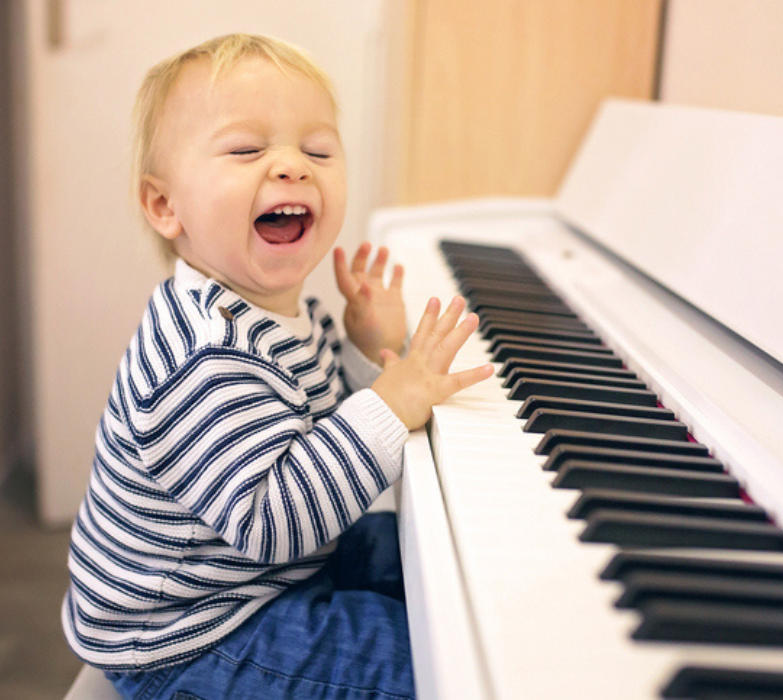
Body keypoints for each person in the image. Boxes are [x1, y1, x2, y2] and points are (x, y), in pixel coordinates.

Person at [61, 33, 493, 699]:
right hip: (191, 636)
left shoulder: (276, 311)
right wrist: (388, 402)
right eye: (246, 149)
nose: (293, 166)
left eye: (317, 150)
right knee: (429, 669)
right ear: (163, 205)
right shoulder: (203, 358)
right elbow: (273, 521)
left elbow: (314, 428)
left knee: (438, 572)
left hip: (254, 573)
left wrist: (368, 349)